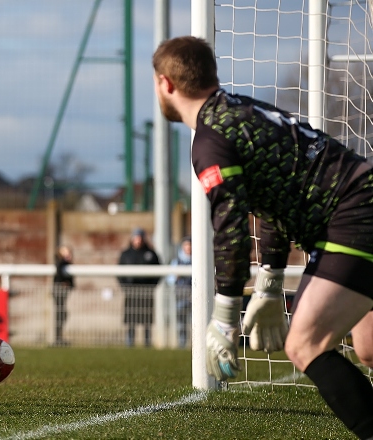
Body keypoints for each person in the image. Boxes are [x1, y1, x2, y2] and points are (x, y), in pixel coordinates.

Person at [153, 35, 373, 439]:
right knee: (369, 347)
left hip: (353, 216)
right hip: (361, 203)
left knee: (304, 344)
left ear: (165, 84)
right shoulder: (244, 109)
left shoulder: (210, 139)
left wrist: (224, 314)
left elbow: (231, 224)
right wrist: (270, 282)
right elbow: (272, 200)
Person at [117, 228, 161, 347]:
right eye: (136, 237)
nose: (138, 240)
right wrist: (125, 287)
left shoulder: (151, 254)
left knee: (146, 319)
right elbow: (119, 273)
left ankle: (147, 343)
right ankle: (129, 342)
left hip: (146, 292)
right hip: (131, 292)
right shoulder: (126, 254)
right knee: (131, 319)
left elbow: (158, 272)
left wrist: (151, 287)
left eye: (140, 237)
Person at [167, 236, 192, 348]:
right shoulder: (176, 261)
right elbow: (170, 279)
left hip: (194, 297)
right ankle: (182, 344)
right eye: (186, 245)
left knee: (194, 322)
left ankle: (194, 344)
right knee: (181, 323)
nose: (188, 248)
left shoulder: (197, 260)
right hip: (181, 297)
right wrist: (176, 277)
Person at [52, 245, 74, 346]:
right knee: (61, 314)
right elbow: (59, 269)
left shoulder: (68, 264)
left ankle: (59, 338)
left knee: (62, 314)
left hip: (62, 291)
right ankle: (57, 338)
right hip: (59, 291)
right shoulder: (61, 263)